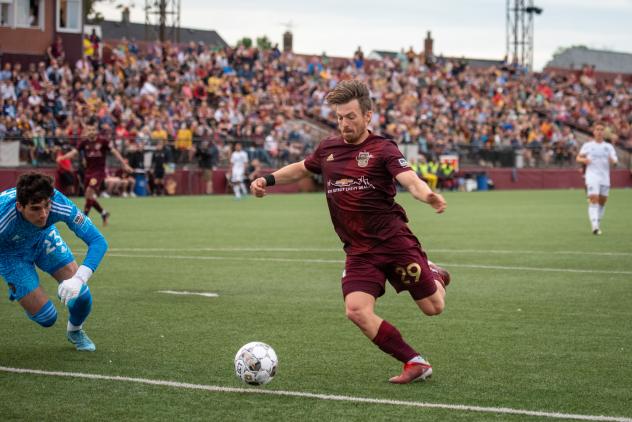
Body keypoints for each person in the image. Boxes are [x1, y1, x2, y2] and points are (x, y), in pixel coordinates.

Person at [251, 80, 450, 384]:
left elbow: (410, 180)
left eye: (351, 117)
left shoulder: (383, 149)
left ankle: (433, 273)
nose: (344, 124)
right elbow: (302, 168)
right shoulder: (329, 148)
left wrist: (428, 195)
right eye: (340, 117)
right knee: (356, 310)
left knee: (433, 307)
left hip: (393, 242)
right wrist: (268, 179)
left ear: (368, 116)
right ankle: (415, 361)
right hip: (358, 250)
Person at [0, 172, 108, 351]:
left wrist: (78, 279)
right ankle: (17, 287)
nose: (43, 214)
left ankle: (75, 331)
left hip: (42, 238)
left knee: (81, 296)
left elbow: (98, 241)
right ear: (20, 206)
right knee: (47, 318)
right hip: (10, 254)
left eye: (46, 206)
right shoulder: (3, 217)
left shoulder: (58, 202)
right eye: (35, 208)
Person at [67, 123, 132, 225]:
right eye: (89, 130)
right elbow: (74, 152)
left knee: (89, 192)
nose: (91, 132)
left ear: (96, 131)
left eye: (93, 130)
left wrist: (124, 164)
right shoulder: (84, 142)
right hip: (88, 172)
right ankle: (103, 213)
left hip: (98, 172)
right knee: (88, 197)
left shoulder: (103, 141)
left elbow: (114, 151)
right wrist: (63, 158)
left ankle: (83, 219)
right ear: (86, 131)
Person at [576, 123, 618, 235]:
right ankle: (594, 226)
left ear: (604, 132)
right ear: (594, 132)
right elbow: (578, 157)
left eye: (601, 129)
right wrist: (583, 160)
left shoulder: (608, 147)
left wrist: (613, 162)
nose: (599, 131)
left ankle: (597, 223)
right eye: (597, 129)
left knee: (602, 202)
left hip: (605, 177)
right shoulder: (587, 145)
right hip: (592, 176)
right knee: (594, 199)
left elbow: (615, 162)